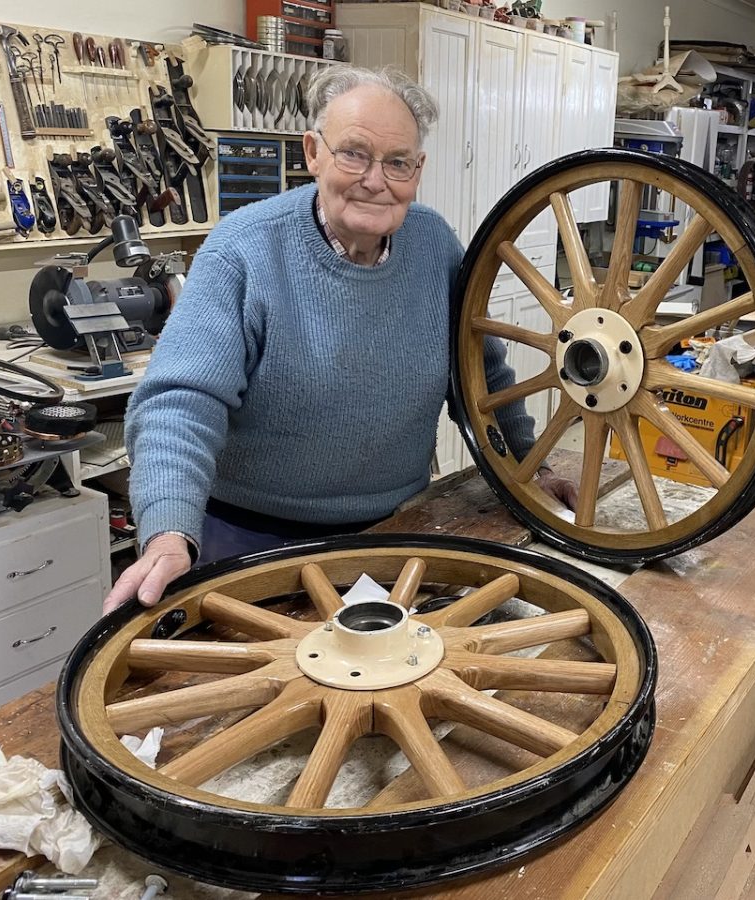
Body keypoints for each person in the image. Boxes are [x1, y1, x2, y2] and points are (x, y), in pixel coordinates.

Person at [103, 66, 575, 614]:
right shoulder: (244, 250)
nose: (376, 180)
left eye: (397, 162)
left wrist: (531, 466)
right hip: (250, 544)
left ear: (417, 170)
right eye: (354, 153)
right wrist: (167, 530)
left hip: (396, 531)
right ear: (313, 152)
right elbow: (180, 404)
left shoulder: (433, 246)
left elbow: (483, 378)